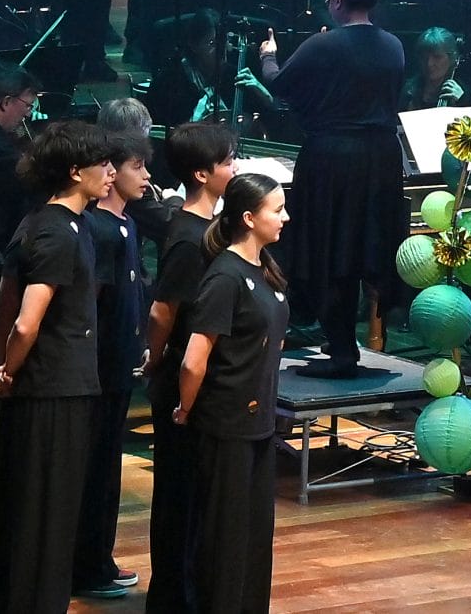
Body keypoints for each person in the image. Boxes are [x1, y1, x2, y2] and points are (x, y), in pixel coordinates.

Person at [0, 121, 117, 614]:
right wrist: (10, 369)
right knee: (48, 507)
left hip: (45, 385)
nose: (110, 171)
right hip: (54, 388)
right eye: (101, 164)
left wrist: (3, 366)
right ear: (73, 170)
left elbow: (2, 311)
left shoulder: (40, 222)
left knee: (28, 503)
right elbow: (24, 322)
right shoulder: (61, 232)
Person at [255, 0, 406, 377]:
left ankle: (341, 350)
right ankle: (357, 337)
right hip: (381, 158)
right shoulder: (393, 45)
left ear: (337, 1)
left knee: (328, 248)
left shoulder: (323, 46)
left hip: (334, 159)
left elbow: (281, 85)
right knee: (364, 244)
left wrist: (268, 57)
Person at [174, 173, 291, 614]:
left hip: (258, 421)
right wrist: (186, 409)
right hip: (226, 422)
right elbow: (193, 359)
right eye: (276, 210)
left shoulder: (265, 269)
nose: (285, 217)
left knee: (255, 534)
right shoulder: (223, 276)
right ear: (248, 217)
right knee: (224, 535)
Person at [143, 122, 237, 614]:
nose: (235, 168)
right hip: (182, 380)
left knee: (197, 495)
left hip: (199, 381)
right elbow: (164, 310)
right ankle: (172, 599)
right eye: (228, 161)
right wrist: (155, 360)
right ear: (202, 173)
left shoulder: (208, 230)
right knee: (180, 495)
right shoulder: (186, 237)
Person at [73, 132, 152, 599]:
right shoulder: (97, 228)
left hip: (121, 362)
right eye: (136, 167)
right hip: (99, 368)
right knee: (95, 469)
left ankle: (99, 559)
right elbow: (94, 304)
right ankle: (88, 564)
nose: (145, 176)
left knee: (107, 467)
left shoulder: (127, 225)